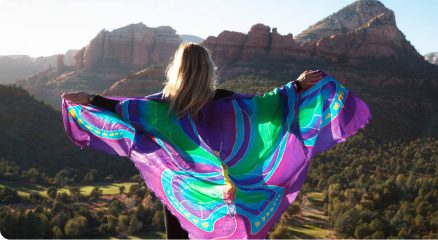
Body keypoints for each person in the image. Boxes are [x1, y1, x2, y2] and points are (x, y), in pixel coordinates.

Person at [61, 43, 371, 239]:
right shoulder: (227, 103)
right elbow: (267, 107)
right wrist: (298, 87)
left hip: (181, 193)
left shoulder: (159, 108)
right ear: (208, 71)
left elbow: (122, 109)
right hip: (218, 196)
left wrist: (89, 99)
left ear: (177, 70)